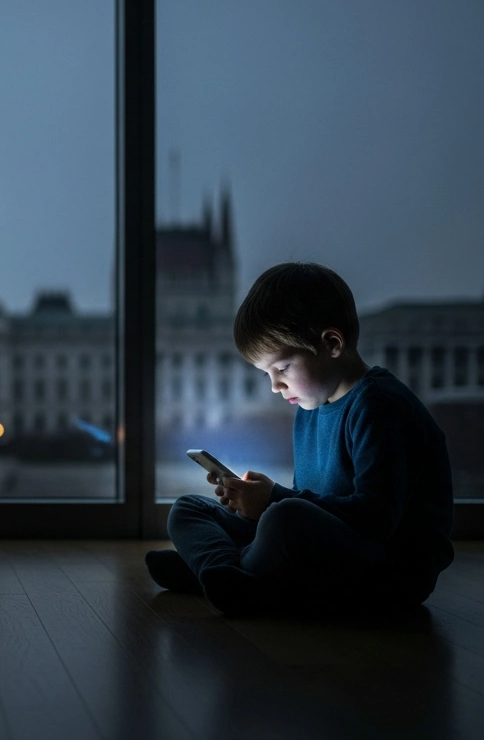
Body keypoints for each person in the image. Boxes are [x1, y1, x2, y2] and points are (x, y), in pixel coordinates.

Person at [146, 262, 455, 616]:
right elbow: (311, 503)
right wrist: (254, 502)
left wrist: (274, 500)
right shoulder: (308, 409)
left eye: (282, 369)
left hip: (391, 573)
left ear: (331, 344)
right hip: (325, 551)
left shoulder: (380, 406)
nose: (275, 386)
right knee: (189, 507)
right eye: (267, 373)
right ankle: (228, 573)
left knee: (285, 518)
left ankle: (218, 570)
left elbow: (376, 519)